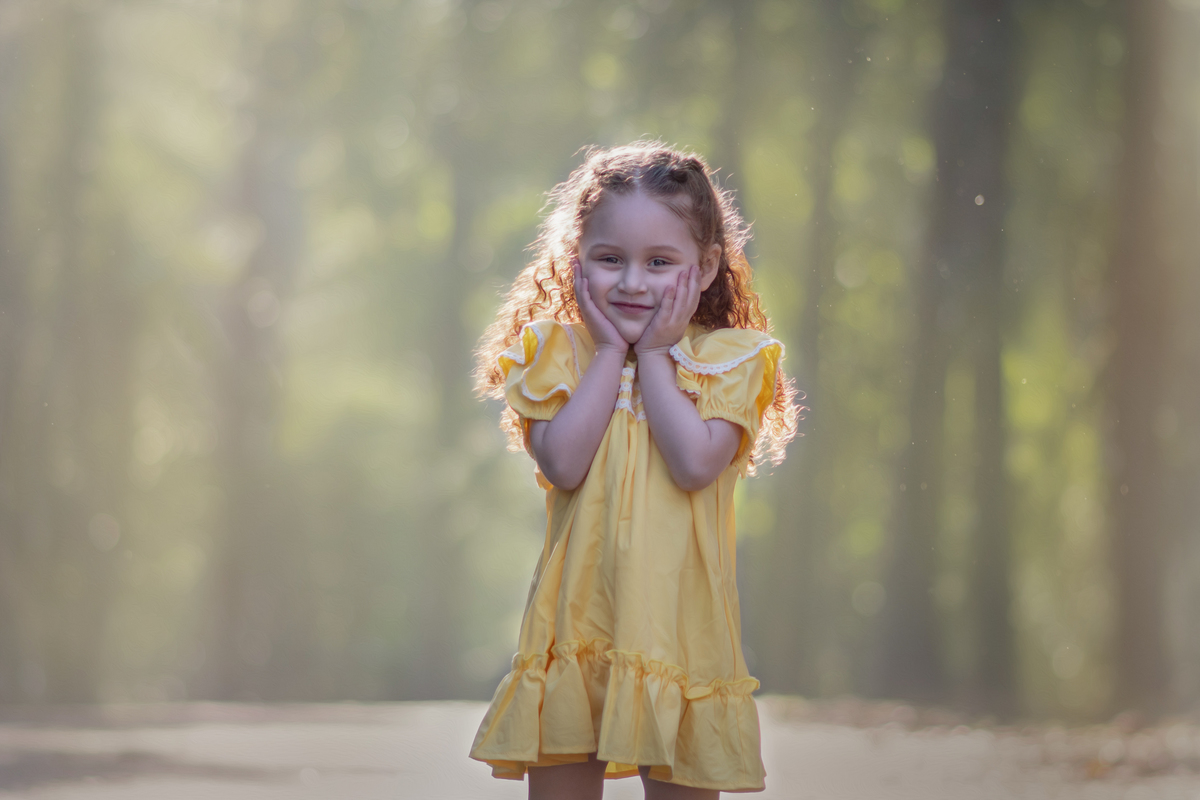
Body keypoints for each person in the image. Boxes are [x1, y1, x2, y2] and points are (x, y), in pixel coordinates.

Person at [469, 141, 799, 798]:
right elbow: (564, 463)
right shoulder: (555, 353)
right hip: (575, 634)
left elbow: (695, 463)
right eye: (610, 259)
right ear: (576, 260)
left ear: (706, 268)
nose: (632, 283)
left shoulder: (729, 361)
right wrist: (607, 356)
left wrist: (653, 358)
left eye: (659, 263)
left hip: (680, 638)